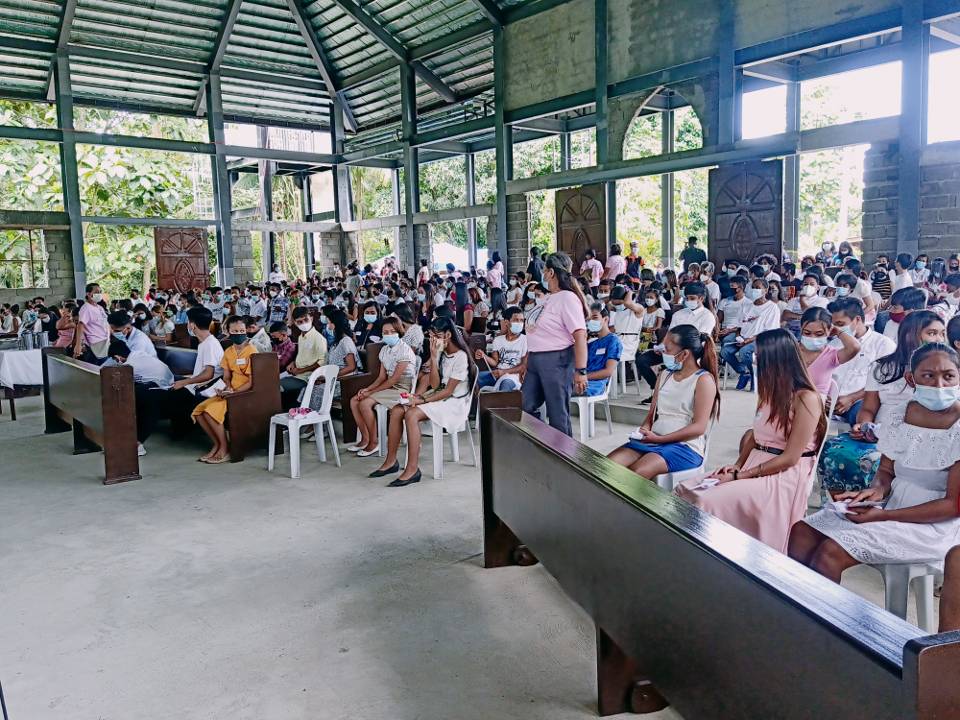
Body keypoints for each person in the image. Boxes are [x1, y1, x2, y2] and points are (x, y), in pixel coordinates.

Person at [790, 343, 960, 583]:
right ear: (911, 379)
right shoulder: (900, 415)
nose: (939, 385)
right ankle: (795, 613)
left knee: (830, 553)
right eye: (928, 376)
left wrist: (882, 516)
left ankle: (822, 620)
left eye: (948, 376)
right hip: (890, 507)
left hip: (935, 526)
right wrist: (873, 492)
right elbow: (886, 472)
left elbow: (953, 506)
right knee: (802, 532)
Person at [676, 329, 825, 553]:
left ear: (776, 358)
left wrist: (740, 475)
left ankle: (713, 556)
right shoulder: (770, 393)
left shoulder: (806, 399)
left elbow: (790, 458)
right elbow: (755, 437)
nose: (753, 360)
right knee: (687, 489)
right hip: (755, 463)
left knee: (708, 501)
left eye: (758, 356)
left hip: (781, 474)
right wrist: (736, 465)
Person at [818, 310, 946, 495]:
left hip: (921, 438)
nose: (939, 339)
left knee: (876, 462)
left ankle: (877, 503)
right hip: (879, 435)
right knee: (835, 451)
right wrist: (863, 425)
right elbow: (869, 408)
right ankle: (847, 509)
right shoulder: (882, 368)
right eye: (932, 333)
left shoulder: (947, 370)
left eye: (942, 333)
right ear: (910, 335)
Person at [369, 317, 473, 486]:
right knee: (397, 410)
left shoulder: (460, 356)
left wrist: (421, 399)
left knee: (411, 413)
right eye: (431, 336)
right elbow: (435, 385)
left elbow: (447, 391)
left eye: (436, 336)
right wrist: (433, 357)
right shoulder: (442, 353)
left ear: (448, 335)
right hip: (439, 396)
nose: (433, 340)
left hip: (454, 403)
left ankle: (412, 469)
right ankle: (390, 461)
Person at [608, 325, 719, 478]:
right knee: (607, 466)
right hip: (655, 438)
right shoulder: (665, 374)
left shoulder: (703, 380)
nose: (662, 352)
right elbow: (652, 415)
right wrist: (644, 431)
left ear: (684, 354)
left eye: (667, 349)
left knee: (635, 473)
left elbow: (699, 428)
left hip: (685, 446)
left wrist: (660, 439)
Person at [522, 252, 588, 437]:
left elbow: (580, 334)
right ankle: (543, 443)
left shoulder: (567, 298)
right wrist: (527, 360)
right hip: (536, 359)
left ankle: (565, 457)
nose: (542, 274)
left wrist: (580, 370)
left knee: (557, 413)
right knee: (524, 406)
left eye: (544, 271)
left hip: (556, 360)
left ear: (551, 272)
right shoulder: (548, 298)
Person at [190, 315, 258, 464]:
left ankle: (225, 448)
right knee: (200, 411)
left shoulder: (252, 351)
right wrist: (226, 387)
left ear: (246, 330)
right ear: (228, 332)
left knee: (211, 410)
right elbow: (227, 376)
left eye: (242, 330)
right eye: (235, 331)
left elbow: (252, 381)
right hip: (230, 390)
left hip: (245, 392)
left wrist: (234, 392)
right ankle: (217, 444)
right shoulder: (229, 351)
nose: (239, 334)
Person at [347, 318, 417, 457]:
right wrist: (367, 389)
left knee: (365, 404)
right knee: (354, 400)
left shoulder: (404, 350)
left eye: (392, 331)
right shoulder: (384, 350)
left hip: (402, 389)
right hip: (389, 386)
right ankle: (365, 438)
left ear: (399, 332)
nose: (389, 334)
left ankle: (374, 442)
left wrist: (371, 393)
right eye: (385, 332)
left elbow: (394, 380)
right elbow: (381, 378)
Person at [636, 282, 716, 401]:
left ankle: (674, 394)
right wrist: (662, 346)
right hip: (672, 350)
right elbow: (670, 334)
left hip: (693, 352)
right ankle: (657, 389)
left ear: (701, 298)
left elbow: (699, 340)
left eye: (692, 298)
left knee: (672, 366)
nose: (688, 301)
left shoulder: (707, 316)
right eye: (687, 298)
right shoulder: (679, 314)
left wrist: (674, 350)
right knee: (642, 360)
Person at [827, 297, 896, 426]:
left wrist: (851, 399)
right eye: (834, 324)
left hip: (860, 401)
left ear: (857, 319)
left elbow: (885, 383)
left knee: (860, 413)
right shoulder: (833, 344)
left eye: (841, 324)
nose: (836, 329)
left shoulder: (883, 345)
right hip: (832, 402)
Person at [102, 338, 175, 456]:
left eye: (115, 360)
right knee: (132, 395)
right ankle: (127, 437)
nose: (116, 362)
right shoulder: (137, 354)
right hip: (165, 381)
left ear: (118, 357)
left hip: (164, 387)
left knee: (133, 398)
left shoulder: (129, 365)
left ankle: (137, 442)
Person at [719, 278, 781, 391]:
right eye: (753, 287)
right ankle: (745, 371)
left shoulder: (772, 307)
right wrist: (738, 337)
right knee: (725, 351)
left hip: (761, 339)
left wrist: (748, 340)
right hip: (742, 338)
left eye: (758, 288)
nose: (754, 290)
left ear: (765, 290)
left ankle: (754, 376)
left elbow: (769, 331)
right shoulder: (746, 306)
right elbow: (739, 325)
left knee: (744, 351)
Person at [796, 307, 861, 395]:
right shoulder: (791, 349)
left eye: (819, 334)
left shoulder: (831, 355)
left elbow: (854, 347)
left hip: (815, 405)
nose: (812, 337)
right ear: (801, 329)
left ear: (829, 331)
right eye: (807, 333)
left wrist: (838, 331)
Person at [280, 307, 327, 406]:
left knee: (277, 386)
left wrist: (301, 370)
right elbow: (301, 355)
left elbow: (322, 362)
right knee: (271, 381)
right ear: (295, 323)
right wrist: (293, 363)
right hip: (296, 373)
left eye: (306, 320)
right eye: (300, 322)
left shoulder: (319, 338)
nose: (304, 324)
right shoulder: (301, 337)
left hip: (306, 377)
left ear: (311, 318)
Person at [475, 307, 527, 391]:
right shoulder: (498, 340)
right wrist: (483, 355)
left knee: (505, 385)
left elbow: (523, 366)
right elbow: (495, 362)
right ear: (507, 322)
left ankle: (503, 403)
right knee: (475, 378)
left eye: (521, 320)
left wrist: (503, 372)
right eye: (516, 320)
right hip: (498, 373)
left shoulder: (525, 340)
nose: (520, 323)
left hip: (515, 376)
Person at [576, 303, 622, 396]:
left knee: (559, 390)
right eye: (588, 319)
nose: (590, 322)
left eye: (594, 317)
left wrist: (584, 377)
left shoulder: (613, 341)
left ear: (605, 319)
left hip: (595, 384)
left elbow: (608, 371)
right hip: (581, 381)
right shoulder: (592, 343)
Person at [73, 282, 110, 360]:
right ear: (89, 294)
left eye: (100, 292)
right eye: (96, 292)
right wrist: (78, 345)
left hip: (104, 341)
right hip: (95, 344)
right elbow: (80, 325)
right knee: (95, 368)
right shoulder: (86, 308)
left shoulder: (99, 307)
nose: (99, 294)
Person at [609, 286, 645, 361]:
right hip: (617, 342)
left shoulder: (639, 308)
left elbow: (627, 303)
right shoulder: (617, 312)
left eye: (619, 304)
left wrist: (630, 292)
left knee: (607, 354)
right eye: (615, 304)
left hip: (629, 345)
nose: (617, 306)